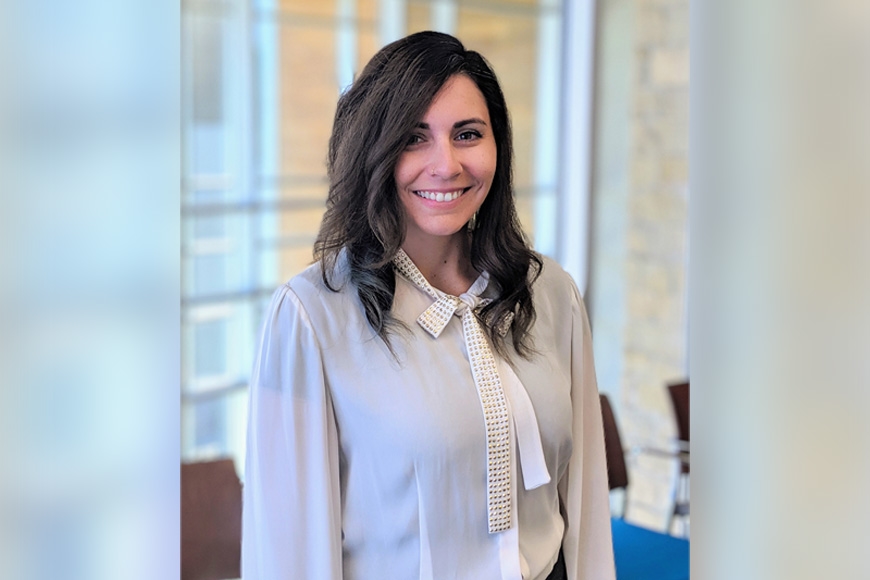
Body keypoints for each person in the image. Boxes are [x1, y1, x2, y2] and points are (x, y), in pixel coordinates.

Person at [242, 31, 615, 580]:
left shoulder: (550, 290)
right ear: (374, 150)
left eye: (468, 134)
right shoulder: (310, 315)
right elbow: (287, 550)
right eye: (414, 138)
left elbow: (584, 501)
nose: (446, 165)